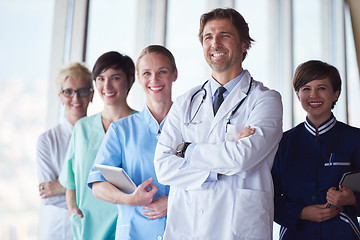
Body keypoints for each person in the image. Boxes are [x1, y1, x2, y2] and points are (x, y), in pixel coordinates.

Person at [154, 8, 283, 239]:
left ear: (244, 44)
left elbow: (243, 156)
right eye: (208, 37)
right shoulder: (186, 102)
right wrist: (225, 159)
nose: (215, 43)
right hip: (188, 226)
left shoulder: (266, 100)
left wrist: (186, 149)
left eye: (225, 35)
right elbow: (163, 167)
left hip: (238, 228)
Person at [87, 45, 177, 240]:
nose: (154, 80)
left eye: (162, 71)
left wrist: (174, 202)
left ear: (174, 74)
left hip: (182, 230)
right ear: (138, 77)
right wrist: (128, 199)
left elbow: (212, 181)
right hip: (134, 233)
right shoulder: (121, 130)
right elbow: (97, 184)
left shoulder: (192, 126)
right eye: (147, 73)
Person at [272, 60, 360, 239]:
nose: (313, 95)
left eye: (321, 88)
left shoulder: (355, 139)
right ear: (298, 95)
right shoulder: (282, 143)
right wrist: (301, 212)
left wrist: (352, 199)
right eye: (306, 89)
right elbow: (267, 196)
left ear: (336, 93)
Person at [59, 51, 137, 240]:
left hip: (128, 224)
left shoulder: (141, 125)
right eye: (100, 79)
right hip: (88, 227)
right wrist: (72, 208)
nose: (107, 86)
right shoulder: (82, 128)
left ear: (130, 80)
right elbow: (70, 178)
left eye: (115, 78)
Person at [36, 62, 93, 239]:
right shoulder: (47, 141)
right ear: (60, 96)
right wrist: (90, 185)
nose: (76, 98)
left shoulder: (104, 134)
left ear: (91, 95)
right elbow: (48, 194)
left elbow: (109, 185)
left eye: (82, 91)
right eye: (69, 92)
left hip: (93, 222)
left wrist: (61, 186)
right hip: (60, 226)